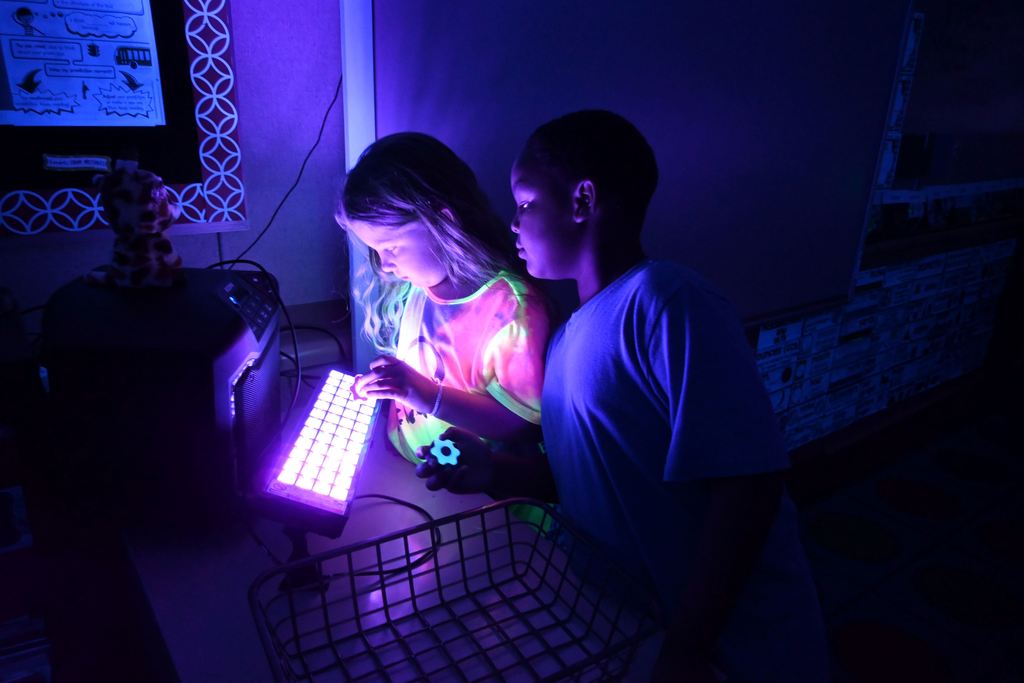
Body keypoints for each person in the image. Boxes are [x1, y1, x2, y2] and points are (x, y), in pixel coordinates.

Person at [417, 111, 828, 681]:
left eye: (527, 203)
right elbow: (582, 484)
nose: (514, 224)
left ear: (583, 200)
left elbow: (748, 488)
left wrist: (687, 649)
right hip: (629, 631)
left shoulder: (667, 300)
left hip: (735, 651)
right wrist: (491, 470)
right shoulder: (563, 342)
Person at [338, 132, 550, 465]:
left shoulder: (511, 312)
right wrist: (391, 386)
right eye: (376, 251)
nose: (385, 265)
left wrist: (422, 393)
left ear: (443, 222)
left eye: (390, 248)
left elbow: (522, 424)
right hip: (409, 468)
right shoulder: (417, 287)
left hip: (473, 496)